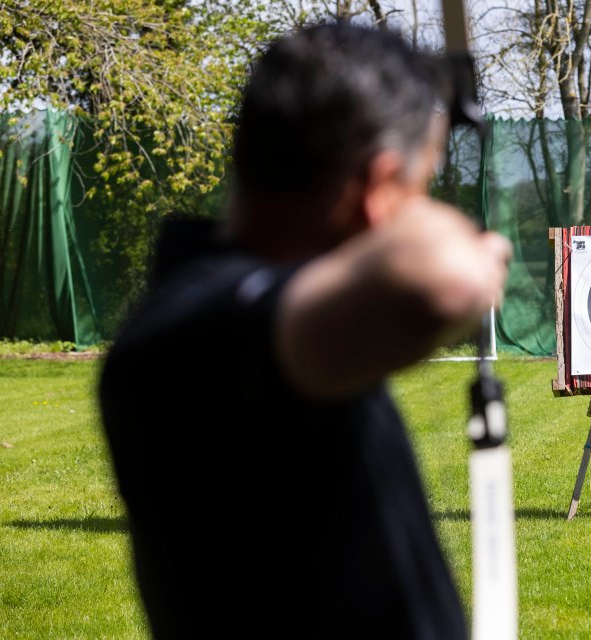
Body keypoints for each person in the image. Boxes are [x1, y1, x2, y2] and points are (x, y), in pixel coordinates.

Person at [99, 23, 511, 639]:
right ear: (377, 191)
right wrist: (473, 253)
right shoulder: (193, 330)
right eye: (420, 184)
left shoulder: (245, 299)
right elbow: (446, 279)